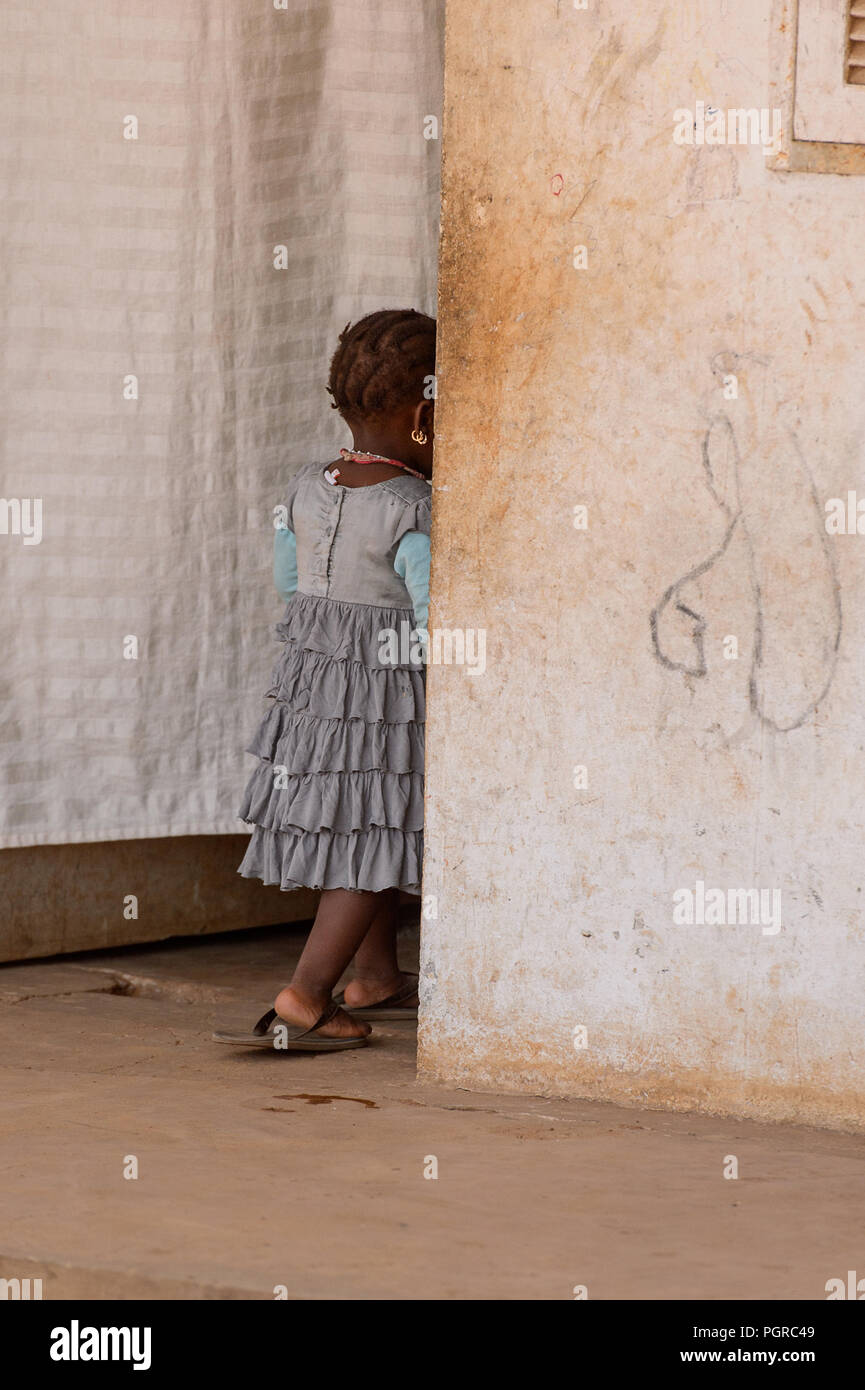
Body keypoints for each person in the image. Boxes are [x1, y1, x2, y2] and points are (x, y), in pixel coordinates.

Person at [214, 309, 435, 1051]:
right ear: (424, 415)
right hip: (381, 691)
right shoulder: (413, 506)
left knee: (352, 821)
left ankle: (373, 976)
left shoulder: (307, 486)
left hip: (311, 683)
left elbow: (288, 581)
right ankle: (306, 995)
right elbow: (431, 615)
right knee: (378, 828)